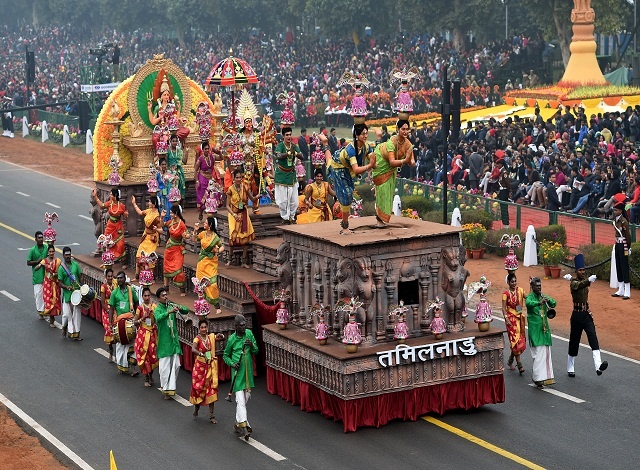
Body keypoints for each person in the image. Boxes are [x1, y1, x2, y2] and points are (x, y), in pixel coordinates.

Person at [323, 124, 375, 234]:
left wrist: (374, 160)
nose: (365, 136)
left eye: (366, 133)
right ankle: (345, 226)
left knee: (349, 194)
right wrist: (369, 166)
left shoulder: (366, 146)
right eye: (363, 134)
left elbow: (372, 158)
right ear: (356, 135)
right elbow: (356, 170)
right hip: (338, 166)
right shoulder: (351, 149)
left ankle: (338, 207)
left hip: (347, 168)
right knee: (346, 194)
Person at [563, 254, 608, 377]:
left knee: (593, 337)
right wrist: (587, 281)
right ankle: (570, 367)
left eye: (583, 270)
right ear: (576, 271)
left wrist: (587, 281)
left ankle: (598, 366)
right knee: (574, 341)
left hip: (586, 314)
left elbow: (583, 284)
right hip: (577, 315)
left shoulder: (582, 280)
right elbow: (577, 285)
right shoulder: (573, 283)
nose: (582, 272)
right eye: (580, 270)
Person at [372, 118, 414, 227]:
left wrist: (410, 160)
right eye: (403, 129)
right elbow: (391, 162)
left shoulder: (408, 143)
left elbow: (412, 162)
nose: (405, 131)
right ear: (397, 129)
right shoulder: (392, 142)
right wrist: (404, 160)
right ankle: (379, 219)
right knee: (383, 191)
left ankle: (382, 218)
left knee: (389, 192)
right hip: (381, 163)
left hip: (391, 170)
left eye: (407, 129)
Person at [223, 314, 259, 440]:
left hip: (248, 374)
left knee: (245, 398)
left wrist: (252, 346)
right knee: (241, 400)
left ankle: (238, 423)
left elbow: (256, 351)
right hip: (237, 375)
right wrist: (232, 363)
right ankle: (244, 427)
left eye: (245, 325)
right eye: (241, 325)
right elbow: (225, 355)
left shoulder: (249, 334)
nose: (244, 327)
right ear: (236, 326)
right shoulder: (232, 339)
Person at [190, 319, 224, 423]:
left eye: (205, 327)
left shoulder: (210, 337)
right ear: (199, 328)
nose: (204, 329)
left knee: (211, 390)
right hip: (200, 369)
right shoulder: (197, 339)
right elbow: (193, 349)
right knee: (199, 390)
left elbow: (221, 339)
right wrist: (200, 354)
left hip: (209, 367)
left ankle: (211, 416)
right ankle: (196, 408)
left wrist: (220, 336)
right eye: (202, 327)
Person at [525, 277, 555, 388]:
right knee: (537, 354)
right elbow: (529, 303)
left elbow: (554, 303)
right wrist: (539, 302)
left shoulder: (543, 296)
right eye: (537, 286)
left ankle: (546, 377)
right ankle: (537, 378)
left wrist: (548, 300)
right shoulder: (530, 297)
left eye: (540, 286)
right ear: (532, 287)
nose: (539, 288)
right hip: (535, 330)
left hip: (544, 330)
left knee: (546, 352)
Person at [154, 286, 184, 400]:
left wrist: (179, 308)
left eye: (166, 295)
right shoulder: (158, 309)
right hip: (164, 343)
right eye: (163, 295)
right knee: (164, 368)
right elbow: (158, 318)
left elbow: (185, 309)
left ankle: (171, 388)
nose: (166, 297)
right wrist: (169, 311)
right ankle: (166, 389)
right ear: (158, 298)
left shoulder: (171, 305)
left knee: (176, 365)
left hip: (174, 342)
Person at [109, 271, 139, 375]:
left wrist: (136, 317)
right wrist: (110, 323)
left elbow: (136, 303)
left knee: (133, 344)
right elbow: (111, 309)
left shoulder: (131, 291)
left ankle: (133, 368)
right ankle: (121, 366)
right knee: (121, 345)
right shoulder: (114, 293)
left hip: (130, 320)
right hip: (119, 322)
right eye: (118, 278)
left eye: (121, 278)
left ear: (125, 279)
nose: (119, 280)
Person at [226, 169, 257, 268]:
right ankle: (230, 260)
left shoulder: (245, 187)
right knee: (233, 236)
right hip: (233, 215)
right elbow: (227, 205)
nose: (239, 179)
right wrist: (233, 214)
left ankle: (244, 261)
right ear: (234, 179)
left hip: (243, 213)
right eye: (237, 177)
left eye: (240, 177)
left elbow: (252, 199)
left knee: (245, 237)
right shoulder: (230, 189)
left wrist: (258, 197)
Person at [192, 216, 224, 313]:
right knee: (201, 283)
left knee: (212, 284)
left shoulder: (215, 237)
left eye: (206, 223)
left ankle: (217, 306)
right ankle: (202, 304)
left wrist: (218, 251)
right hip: (202, 262)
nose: (204, 224)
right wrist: (195, 231)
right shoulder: (202, 234)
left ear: (210, 225)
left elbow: (222, 246)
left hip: (211, 262)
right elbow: (194, 239)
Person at [93, 188, 128, 267]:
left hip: (118, 227)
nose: (110, 195)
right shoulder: (110, 203)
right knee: (106, 243)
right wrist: (95, 197)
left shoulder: (121, 206)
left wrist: (126, 214)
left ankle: (123, 262)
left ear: (115, 195)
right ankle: (106, 261)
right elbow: (102, 205)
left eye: (111, 194)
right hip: (110, 226)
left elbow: (125, 214)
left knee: (120, 244)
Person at [273, 126, 301, 223]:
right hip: (281, 175)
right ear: (283, 136)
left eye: (290, 134)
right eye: (287, 135)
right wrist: (289, 153)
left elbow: (302, 156)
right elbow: (278, 156)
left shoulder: (294, 146)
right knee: (283, 201)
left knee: (294, 201)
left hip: (291, 175)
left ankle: (292, 217)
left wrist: (296, 154)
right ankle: (284, 218)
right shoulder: (280, 146)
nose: (289, 137)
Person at [131, 195, 162, 279]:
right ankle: (137, 276)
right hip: (145, 236)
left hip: (152, 238)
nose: (149, 203)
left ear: (154, 203)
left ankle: (151, 277)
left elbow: (161, 230)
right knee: (139, 254)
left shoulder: (157, 216)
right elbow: (140, 213)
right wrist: (134, 204)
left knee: (150, 257)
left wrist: (157, 229)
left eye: (150, 202)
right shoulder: (149, 211)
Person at [133, 286, 159, 387]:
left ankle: (151, 374)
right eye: (145, 296)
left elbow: (158, 320)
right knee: (144, 355)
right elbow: (135, 322)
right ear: (142, 296)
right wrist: (142, 318)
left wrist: (154, 316)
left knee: (152, 355)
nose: (147, 297)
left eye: (148, 295)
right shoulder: (140, 308)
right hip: (143, 334)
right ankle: (146, 377)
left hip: (152, 334)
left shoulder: (154, 307)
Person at [503, 272, 527, 375]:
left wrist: (531, 286)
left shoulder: (520, 291)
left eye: (515, 281)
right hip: (511, 320)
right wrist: (506, 319)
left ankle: (510, 361)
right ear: (508, 282)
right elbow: (503, 308)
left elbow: (529, 298)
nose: (514, 283)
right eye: (512, 281)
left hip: (519, 319)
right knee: (515, 341)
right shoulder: (506, 294)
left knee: (518, 340)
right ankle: (520, 364)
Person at [58, 247, 83, 341]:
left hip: (76, 294)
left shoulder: (76, 265)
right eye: (66, 255)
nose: (68, 256)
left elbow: (80, 277)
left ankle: (76, 334)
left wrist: (82, 288)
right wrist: (66, 287)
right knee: (67, 315)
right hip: (67, 294)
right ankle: (64, 326)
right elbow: (59, 282)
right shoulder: (61, 268)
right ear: (63, 255)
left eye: (69, 254)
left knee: (76, 314)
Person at [195, 141, 222, 221]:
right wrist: (197, 180)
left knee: (214, 193)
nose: (207, 150)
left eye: (208, 149)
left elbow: (221, 158)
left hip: (210, 178)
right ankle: (201, 212)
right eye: (205, 149)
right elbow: (196, 170)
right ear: (202, 150)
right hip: (202, 178)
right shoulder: (200, 159)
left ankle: (213, 212)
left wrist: (219, 152)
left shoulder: (212, 156)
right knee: (204, 197)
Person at [164, 204, 188, 295]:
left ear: (176, 213)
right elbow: (162, 225)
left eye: (171, 213)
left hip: (178, 249)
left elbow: (187, 234)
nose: (170, 214)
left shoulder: (181, 224)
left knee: (178, 269)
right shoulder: (171, 222)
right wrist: (162, 217)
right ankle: (166, 289)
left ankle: (182, 289)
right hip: (169, 248)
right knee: (166, 268)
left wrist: (186, 236)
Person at [611, 201, 632, 299]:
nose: (614, 212)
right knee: (618, 265)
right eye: (614, 210)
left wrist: (628, 247)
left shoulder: (624, 221)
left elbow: (627, 235)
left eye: (616, 210)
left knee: (624, 266)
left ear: (620, 211)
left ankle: (627, 290)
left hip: (623, 244)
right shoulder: (615, 219)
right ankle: (621, 288)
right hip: (617, 244)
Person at [26, 231, 48, 321]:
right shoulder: (32, 250)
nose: (41, 239)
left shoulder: (46, 248)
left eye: (42, 237)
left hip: (46, 275)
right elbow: (28, 262)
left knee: (46, 294)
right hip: (37, 276)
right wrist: (37, 261)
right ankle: (40, 312)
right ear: (35, 239)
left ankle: (47, 311)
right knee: (39, 294)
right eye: (39, 238)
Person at [40, 244, 61, 325]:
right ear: (48, 252)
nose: (51, 253)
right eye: (50, 251)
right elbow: (36, 268)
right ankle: (50, 317)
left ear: (54, 252)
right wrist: (41, 265)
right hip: (47, 284)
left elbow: (61, 271)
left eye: (52, 251)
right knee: (48, 300)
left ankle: (52, 319)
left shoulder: (58, 261)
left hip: (55, 284)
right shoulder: (44, 261)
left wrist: (56, 274)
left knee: (55, 301)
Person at [100, 268, 117, 362]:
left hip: (115, 310)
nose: (110, 278)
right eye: (108, 276)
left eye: (111, 276)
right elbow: (102, 302)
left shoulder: (115, 284)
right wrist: (107, 310)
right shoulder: (103, 287)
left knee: (117, 331)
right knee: (109, 331)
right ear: (106, 277)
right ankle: (110, 350)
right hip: (106, 311)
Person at [167, 134, 188, 201]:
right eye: (173, 141)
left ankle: (180, 206)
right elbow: (166, 162)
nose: (175, 143)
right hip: (170, 172)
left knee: (180, 187)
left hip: (179, 172)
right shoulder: (167, 151)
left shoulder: (179, 151)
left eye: (176, 141)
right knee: (171, 188)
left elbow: (184, 162)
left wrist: (187, 152)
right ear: (170, 141)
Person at [496, 158, 510, 228]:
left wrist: (509, 191)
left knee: (504, 208)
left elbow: (507, 183)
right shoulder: (501, 172)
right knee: (502, 208)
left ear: (501, 164)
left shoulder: (504, 172)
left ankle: (506, 225)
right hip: (501, 191)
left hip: (504, 191)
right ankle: (504, 224)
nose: (497, 165)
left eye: (498, 164)